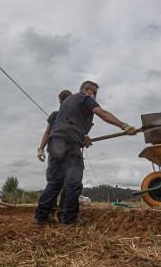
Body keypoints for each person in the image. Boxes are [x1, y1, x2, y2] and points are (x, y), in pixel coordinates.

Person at [34, 80, 138, 226]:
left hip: (56, 142)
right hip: (69, 144)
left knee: (55, 182)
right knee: (73, 183)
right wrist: (123, 125)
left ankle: (41, 216)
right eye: (94, 93)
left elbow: (68, 125)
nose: (94, 97)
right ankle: (68, 220)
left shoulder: (67, 106)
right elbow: (101, 112)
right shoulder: (84, 97)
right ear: (88, 90)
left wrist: (83, 138)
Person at [37, 89, 72, 221]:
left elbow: (80, 134)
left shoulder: (76, 117)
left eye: (65, 101)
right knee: (54, 183)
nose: (62, 104)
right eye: (61, 102)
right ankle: (47, 214)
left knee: (69, 184)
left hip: (71, 154)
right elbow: (47, 133)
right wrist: (40, 148)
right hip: (56, 153)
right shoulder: (55, 115)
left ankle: (63, 214)